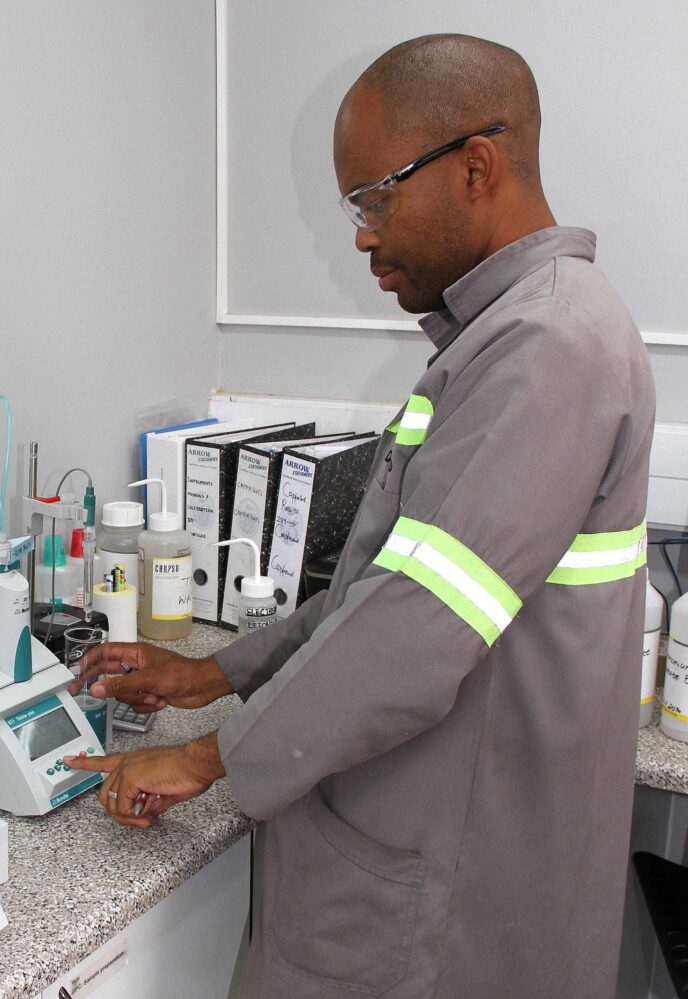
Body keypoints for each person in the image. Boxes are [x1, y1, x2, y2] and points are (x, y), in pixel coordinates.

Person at [66, 33, 654, 998]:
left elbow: (411, 633)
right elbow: (381, 585)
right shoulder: (500, 336)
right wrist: (212, 670)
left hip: (447, 890)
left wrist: (209, 756)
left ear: (475, 166)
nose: (362, 235)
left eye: (374, 197)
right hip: (426, 840)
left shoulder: (547, 344)